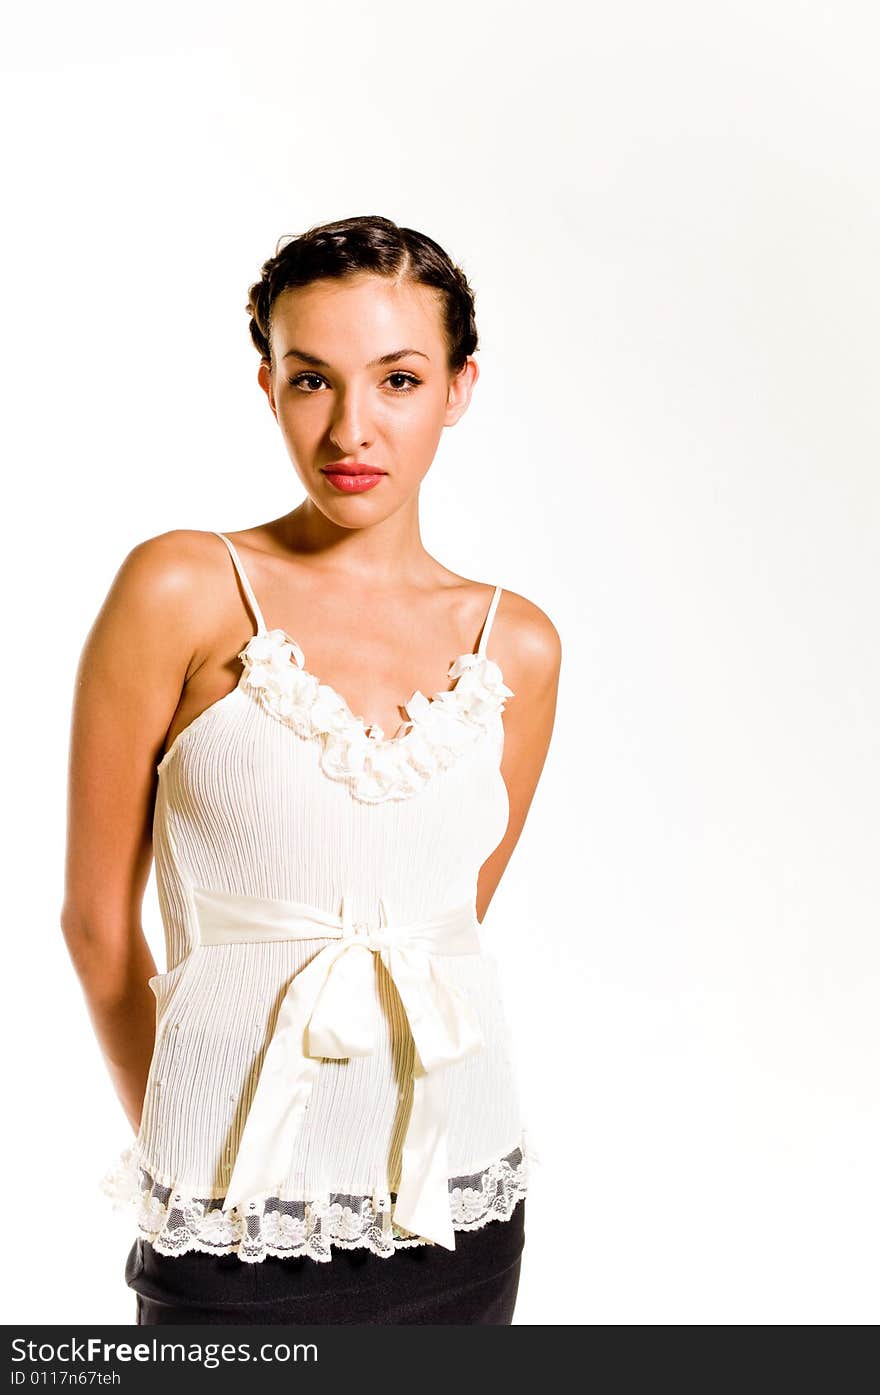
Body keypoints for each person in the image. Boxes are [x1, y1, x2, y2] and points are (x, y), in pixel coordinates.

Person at [63, 216, 561, 1324]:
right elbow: (96, 928)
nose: (351, 427)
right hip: (228, 1218)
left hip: (459, 1203)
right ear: (268, 386)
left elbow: (444, 921)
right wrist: (192, 1152)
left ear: (458, 388)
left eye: (397, 379)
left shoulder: (514, 645)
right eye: (310, 380)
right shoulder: (184, 588)